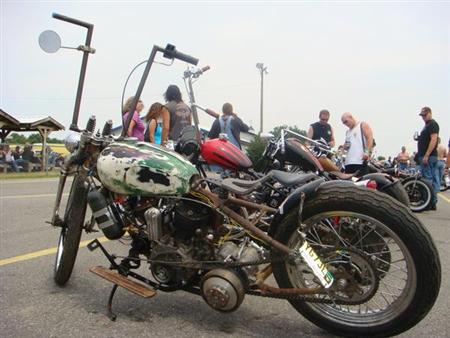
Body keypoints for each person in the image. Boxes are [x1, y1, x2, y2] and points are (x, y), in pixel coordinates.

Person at [416, 106, 440, 210]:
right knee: (430, 179)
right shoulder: (427, 125)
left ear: (430, 113)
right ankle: (432, 202)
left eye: (425, 115)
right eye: (422, 115)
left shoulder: (433, 124)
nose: (423, 117)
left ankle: (429, 202)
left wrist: (426, 155)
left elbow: (434, 139)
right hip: (427, 156)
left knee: (427, 180)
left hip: (428, 157)